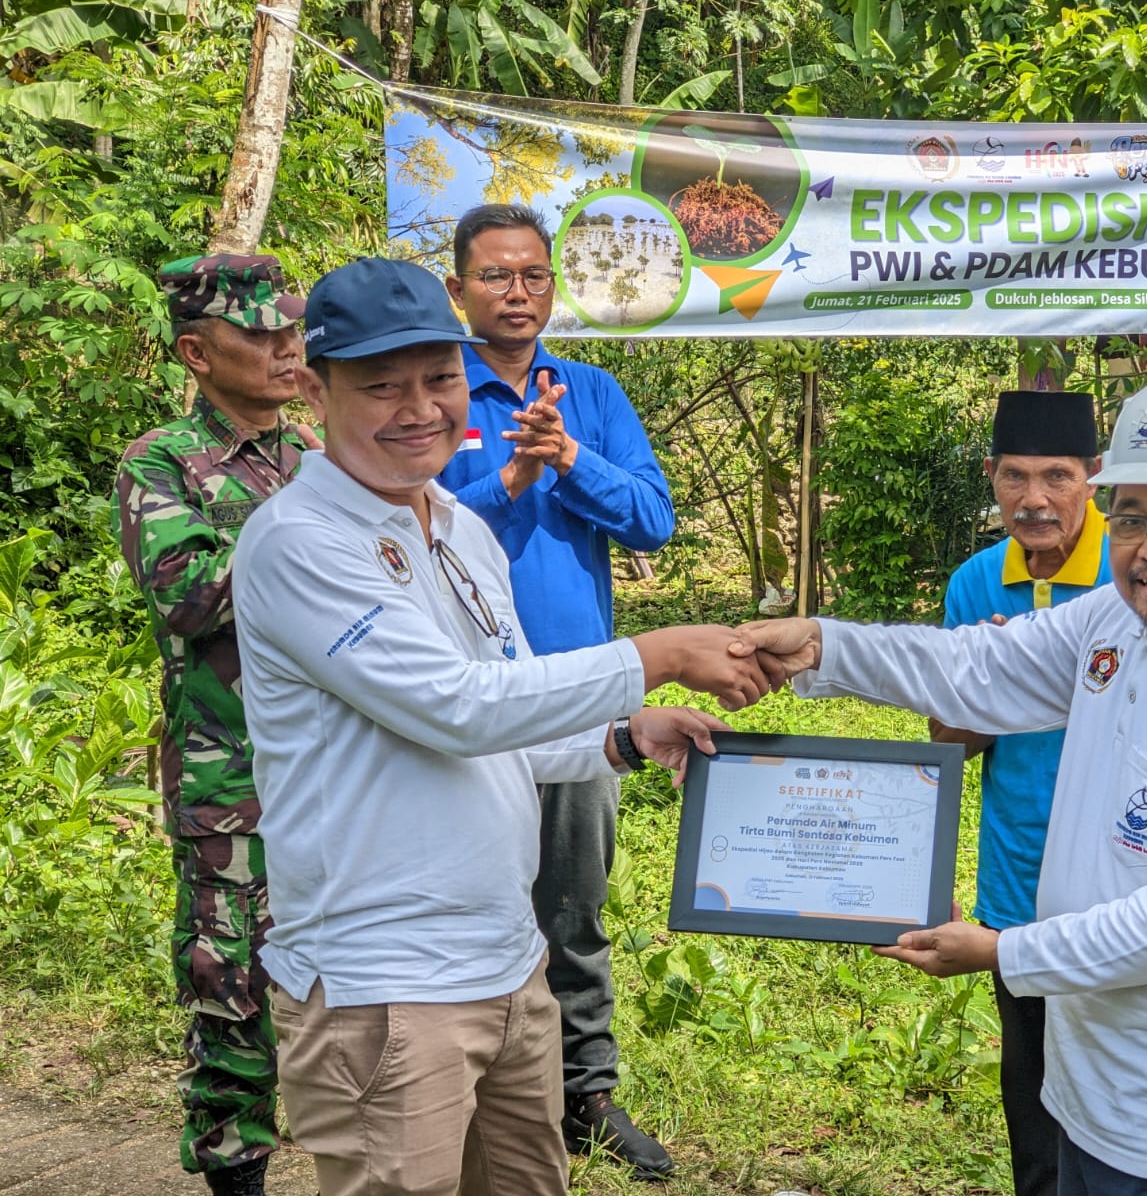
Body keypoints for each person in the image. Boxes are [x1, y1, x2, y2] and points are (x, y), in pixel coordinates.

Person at [232, 257, 777, 1196]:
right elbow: (454, 705)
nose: (419, 407)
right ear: (314, 390)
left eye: (439, 377)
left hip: (506, 957)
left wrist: (622, 736)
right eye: (380, 385)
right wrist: (656, 654)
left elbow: (506, 705)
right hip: (387, 983)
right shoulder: (298, 541)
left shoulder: (459, 525)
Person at [734, 364, 1147, 1196]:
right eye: (1131, 518)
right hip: (1088, 1082)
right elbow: (976, 665)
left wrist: (1000, 951)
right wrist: (819, 646)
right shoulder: (1115, 622)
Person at [438, 202, 677, 1177]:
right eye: (496, 276)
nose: (518, 292)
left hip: (582, 697)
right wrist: (508, 479)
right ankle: (465, 1104)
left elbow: (653, 519)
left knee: (573, 906)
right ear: (458, 289)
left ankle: (586, 1096)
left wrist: (567, 459)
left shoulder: (591, 391)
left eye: (534, 275)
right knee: (461, 898)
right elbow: (404, 530)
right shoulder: (430, 394)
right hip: (458, 702)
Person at [115, 253, 314, 1196]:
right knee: (230, 985)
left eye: (292, 330)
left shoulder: (318, 457)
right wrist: (324, 564)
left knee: (335, 972)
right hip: (228, 775)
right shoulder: (161, 462)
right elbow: (192, 593)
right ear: (198, 353)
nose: (286, 348)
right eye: (261, 334)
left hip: (332, 770)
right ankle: (236, 1172)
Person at [931, 389, 1111, 1196]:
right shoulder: (975, 584)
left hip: (1118, 874)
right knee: (1031, 1082)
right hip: (1017, 871)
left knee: (1117, 1076)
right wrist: (987, 689)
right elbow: (951, 742)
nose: (1033, 500)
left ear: (1094, 478)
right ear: (991, 477)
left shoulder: (1134, 573)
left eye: (1057, 477)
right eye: (1014, 477)